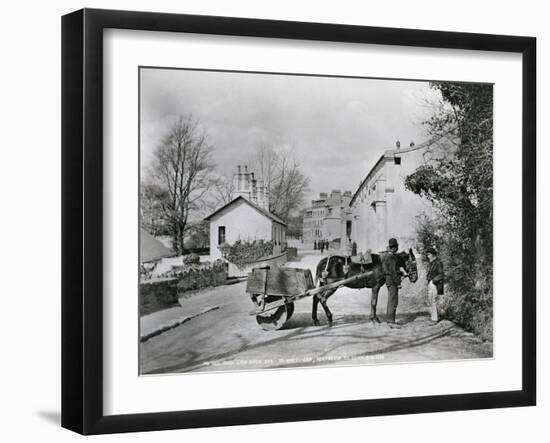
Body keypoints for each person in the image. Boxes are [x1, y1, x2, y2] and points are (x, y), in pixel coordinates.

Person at [383, 238, 402, 324]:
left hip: (389, 280)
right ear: (394, 247)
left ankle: (389, 319)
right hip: (392, 281)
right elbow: (393, 272)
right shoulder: (391, 257)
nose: (397, 248)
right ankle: (390, 321)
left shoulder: (386, 256)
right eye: (396, 246)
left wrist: (399, 272)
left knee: (391, 300)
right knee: (393, 301)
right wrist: (398, 283)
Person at [426, 247, 444, 323]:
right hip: (432, 284)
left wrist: (433, 281)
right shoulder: (432, 263)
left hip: (435, 284)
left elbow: (441, 274)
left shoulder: (438, 263)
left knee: (433, 301)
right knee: (431, 301)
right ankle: (435, 317)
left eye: (429, 254)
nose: (428, 256)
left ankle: (435, 319)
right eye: (427, 254)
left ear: (433, 254)